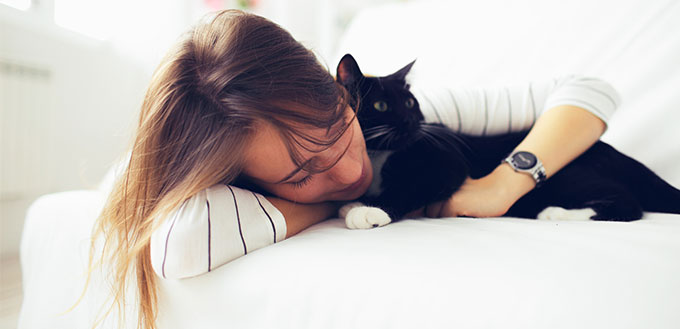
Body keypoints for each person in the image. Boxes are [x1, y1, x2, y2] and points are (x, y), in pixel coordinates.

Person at [90, 9, 619, 329]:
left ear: (340, 90)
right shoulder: (221, 176)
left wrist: (501, 186)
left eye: (340, 128)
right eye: (301, 174)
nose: (346, 172)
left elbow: (590, 90)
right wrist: (332, 207)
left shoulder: (405, 113)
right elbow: (176, 243)